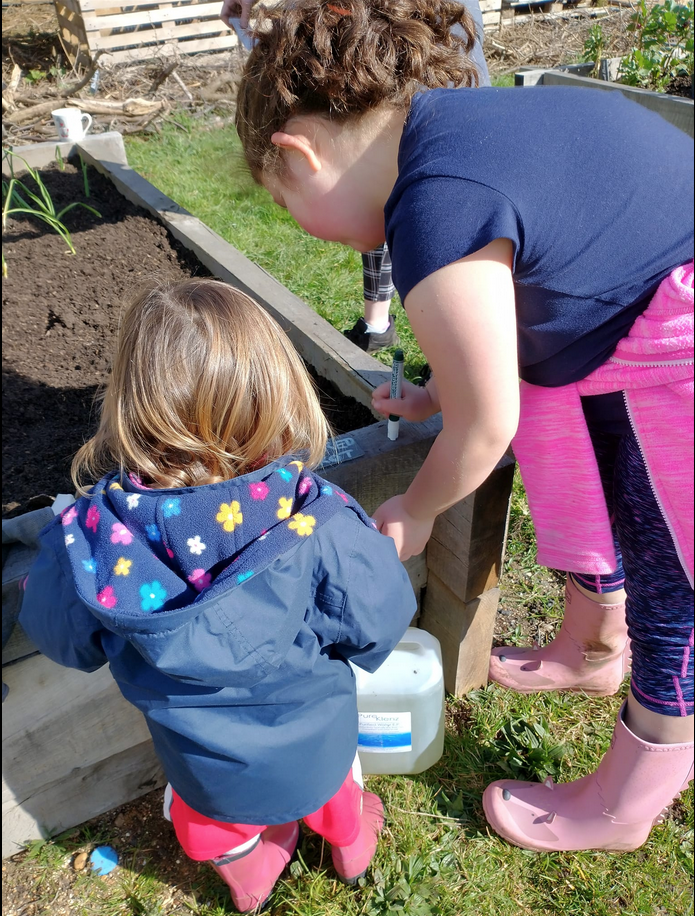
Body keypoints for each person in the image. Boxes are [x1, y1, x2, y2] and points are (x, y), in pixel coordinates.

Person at [233, 0, 694, 854]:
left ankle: (629, 797)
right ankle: (592, 646)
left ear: (296, 154)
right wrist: (440, 398)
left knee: (677, 583)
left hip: (675, 347)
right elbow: (514, 302)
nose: (299, 226)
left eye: (281, 201)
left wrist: (413, 506)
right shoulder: (456, 132)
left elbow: (486, 427)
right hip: (627, 307)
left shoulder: (432, 208)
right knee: (593, 472)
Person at [17, 278, 417, 913]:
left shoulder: (94, 541)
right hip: (318, 749)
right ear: (281, 392)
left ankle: (251, 874)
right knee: (340, 791)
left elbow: (59, 638)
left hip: (205, 773)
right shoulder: (317, 522)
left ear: (128, 403)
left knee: (209, 830)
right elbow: (383, 619)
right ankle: (350, 844)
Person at [220, 0, 492, 353]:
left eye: (284, 202)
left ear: (302, 152)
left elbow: (487, 402)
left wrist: (460, 377)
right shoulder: (430, 169)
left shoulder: (458, 217)